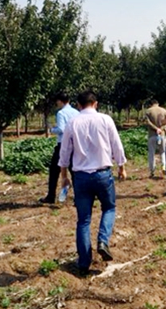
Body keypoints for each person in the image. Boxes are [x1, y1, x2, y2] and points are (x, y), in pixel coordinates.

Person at [58, 90, 127, 275]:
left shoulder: (73, 122)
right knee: (109, 208)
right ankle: (103, 241)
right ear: (95, 104)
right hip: (103, 174)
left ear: (79, 105)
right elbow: (116, 144)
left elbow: (64, 152)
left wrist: (64, 176)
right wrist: (121, 166)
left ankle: (83, 264)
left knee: (83, 220)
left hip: (80, 177)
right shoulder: (105, 120)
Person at [39, 92, 79, 204]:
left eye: (57, 101)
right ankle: (78, 198)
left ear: (60, 101)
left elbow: (61, 129)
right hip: (75, 144)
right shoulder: (76, 112)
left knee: (54, 170)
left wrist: (52, 129)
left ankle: (51, 196)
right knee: (74, 171)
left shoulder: (61, 113)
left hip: (63, 145)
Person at [145, 99, 166, 178]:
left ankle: (152, 171)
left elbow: (148, 122)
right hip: (162, 135)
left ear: (151, 104)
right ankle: (164, 166)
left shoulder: (148, 111)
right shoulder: (164, 111)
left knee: (152, 153)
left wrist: (156, 129)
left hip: (152, 135)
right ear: (158, 103)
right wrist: (161, 129)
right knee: (163, 152)